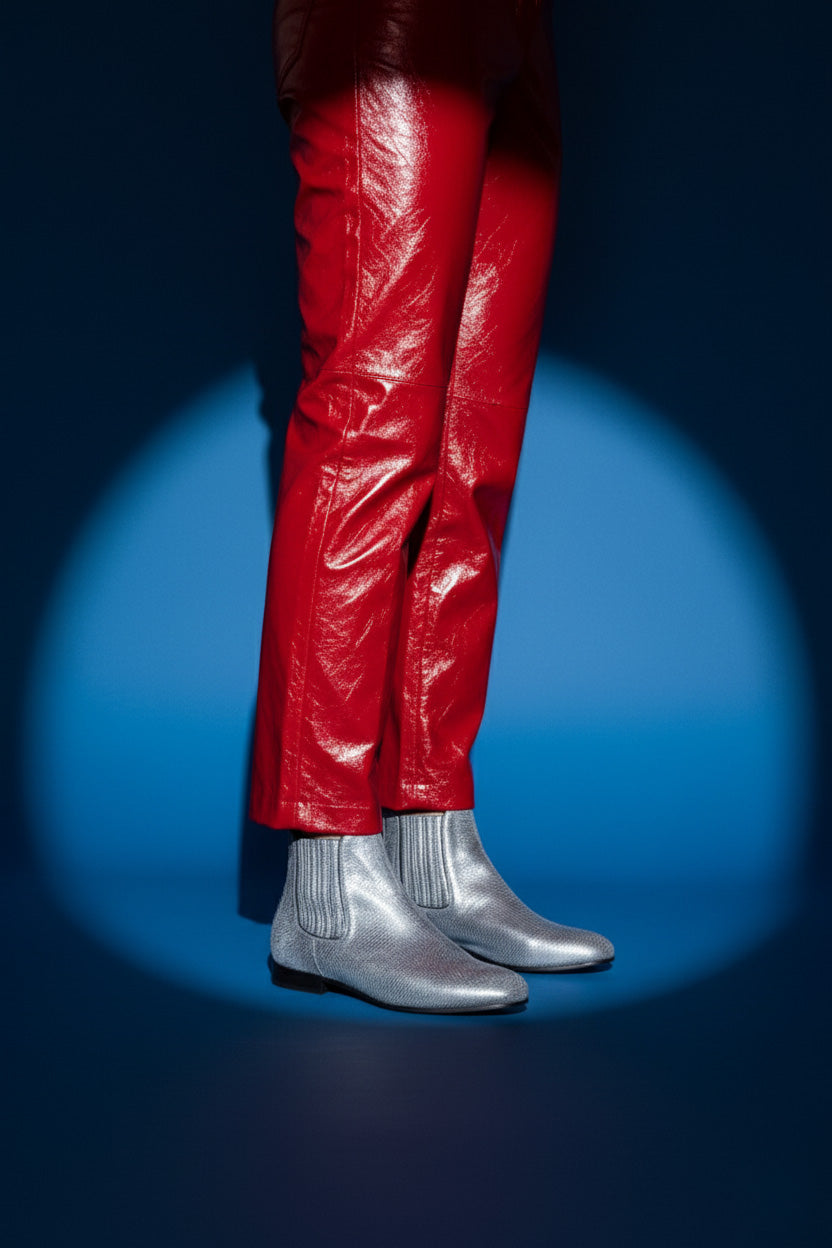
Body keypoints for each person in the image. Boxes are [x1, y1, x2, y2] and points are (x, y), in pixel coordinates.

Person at [249, 0, 614, 1014]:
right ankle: (326, 882)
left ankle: (431, 844)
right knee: (371, 417)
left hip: (517, 20)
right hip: (387, 19)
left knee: (472, 449)